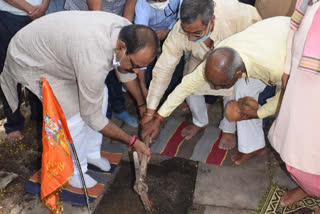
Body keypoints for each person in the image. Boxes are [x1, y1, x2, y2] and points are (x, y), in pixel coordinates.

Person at [0, 12, 157, 188]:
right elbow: (92, 116)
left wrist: (143, 108)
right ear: (121, 47)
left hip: (61, 52)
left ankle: (91, 153)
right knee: (72, 115)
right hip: (33, 59)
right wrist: (132, 141)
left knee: (102, 93)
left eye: (141, 67)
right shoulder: (93, 57)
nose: (137, 71)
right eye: (135, 65)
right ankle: (76, 171)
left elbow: (125, 73)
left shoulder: (127, 32)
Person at [142, 16, 290, 166]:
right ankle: (254, 146)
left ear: (238, 74)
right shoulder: (219, 56)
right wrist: (158, 118)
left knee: (247, 95)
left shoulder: (277, 69)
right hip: (266, 42)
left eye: (220, 85)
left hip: (294, 51)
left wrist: (259, 113)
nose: (215, 89)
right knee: (241, 95)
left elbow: (285, 96)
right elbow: (186, 85)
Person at [141, 0, 261, 150]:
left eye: (197, 33)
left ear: (212, 20)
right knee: (188, 86)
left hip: (236, 61)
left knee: (235, 90)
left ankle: (229, 129)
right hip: (198, 62)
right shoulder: (179, 32)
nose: (190, 39)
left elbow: (259, 36)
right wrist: (150, 112)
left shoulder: (238, 14)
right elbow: (163, 70)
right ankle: (199, 121)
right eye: (187, 33)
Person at [268, 0, 320, 211]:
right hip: (301, 81)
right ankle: (308, 187)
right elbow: (295, 27)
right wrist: (288, 67)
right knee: (295, 145)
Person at [65, 0, 140, 128]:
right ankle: (102, 115)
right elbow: (97, 18)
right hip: (83, 20)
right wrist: (110, 43)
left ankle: (119, 108)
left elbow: (130, 5)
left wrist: (124, 35)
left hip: (113, 18)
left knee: (116, 64)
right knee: (97, 70)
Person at [0, 0, 50, 141]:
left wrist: (44, 5)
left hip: (39, 16)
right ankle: (14, 124)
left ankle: (40, 115)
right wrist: (30, 9)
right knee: (8, 71)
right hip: (9, 16)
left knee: (39, 69)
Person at [134, 0, 184, 102]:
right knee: (148, 66)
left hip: (175, 29)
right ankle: (150, 94)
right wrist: (142, 86)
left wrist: (169, 32)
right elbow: (141, 45)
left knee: (176, 62)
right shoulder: (142, 5)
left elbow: (184, 21)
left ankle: (172, 96)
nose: (157, 2)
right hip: (150, 33)